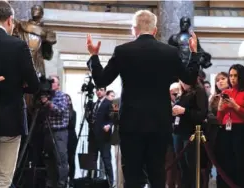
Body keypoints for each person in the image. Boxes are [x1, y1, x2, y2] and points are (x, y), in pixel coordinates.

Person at [86, 10, 200, 188]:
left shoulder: (123, 51)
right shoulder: (169, 52)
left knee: (132, 176)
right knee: (157, 174)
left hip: (131, 123)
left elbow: (101, 80)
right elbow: (190, 79)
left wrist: (94, 57)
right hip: (159, 123)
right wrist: (194, 54)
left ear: (134, 29)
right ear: (155, 30)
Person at [0, 1, 40, 188]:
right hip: (10, 120)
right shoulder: (18, 46)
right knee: (3, 179)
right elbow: (34, 85)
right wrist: (17, 85)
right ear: (9, 20)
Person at [216, 64, 244, 188]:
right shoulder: (226, 91)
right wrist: (220, 107)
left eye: (235, 76)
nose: (232, 78)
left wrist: (235, 106)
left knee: (240, 162)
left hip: (240, 129)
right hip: (225, 129)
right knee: (225, 161)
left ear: (241, 76)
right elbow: (219, 118)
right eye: (230, 75)